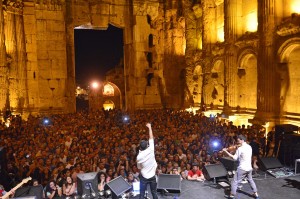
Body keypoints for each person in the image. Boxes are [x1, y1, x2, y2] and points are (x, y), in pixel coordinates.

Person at [222, 135, 260, 199]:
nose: (237, 141)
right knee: (250, 180)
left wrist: (226, 151)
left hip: (242, 168)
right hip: (249, 168)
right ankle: (256, 194)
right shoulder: (249, 147)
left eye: (238, 140)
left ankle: (232, 195)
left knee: (234, 181)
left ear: (242, 140)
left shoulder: (240, 148)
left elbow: (234, 158)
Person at [136, 123, 158, 199]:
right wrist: (149, 127)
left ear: (140, 148)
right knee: (154, 192)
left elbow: (139, 167)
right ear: (147, 145)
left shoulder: (139, 157)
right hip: (152, 176)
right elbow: (151, 138)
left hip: (144, 177)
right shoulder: (151, 149)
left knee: (141, 194)